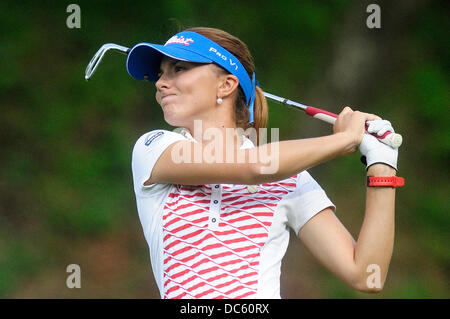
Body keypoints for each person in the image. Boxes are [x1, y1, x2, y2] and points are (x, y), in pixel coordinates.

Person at [126, 27, 403, 299]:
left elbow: (367, 275)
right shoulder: (155, 148)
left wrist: (382, 164)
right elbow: (254, 168)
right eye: (161, 73)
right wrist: (345, 140)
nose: (161, 83)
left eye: (179, 69)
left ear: (226, 84)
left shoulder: (290, 177)